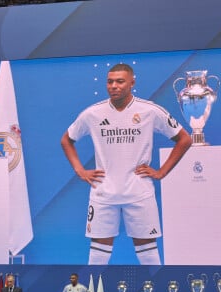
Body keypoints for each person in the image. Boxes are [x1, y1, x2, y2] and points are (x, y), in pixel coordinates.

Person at [61, 63, 192, 265]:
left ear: (132, 83)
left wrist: (162, 172)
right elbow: (66, 140)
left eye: (120, 81)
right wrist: (80, 170)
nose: (114, 86)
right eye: (110, 81)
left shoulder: (150, 111)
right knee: (98, 256)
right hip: (103, 192)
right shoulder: (92, 113)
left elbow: (184, 139)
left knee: (148, 252)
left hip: (139, 192)